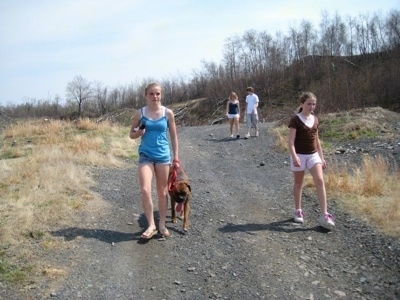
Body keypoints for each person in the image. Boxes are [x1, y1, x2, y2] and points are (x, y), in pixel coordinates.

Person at [130, 82, 180, 239]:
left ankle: (162, 224)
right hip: (145, 155)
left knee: (162, 191)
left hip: (163, 156)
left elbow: (173, 136)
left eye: (157, 93)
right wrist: (137, 134)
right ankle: (151, 225)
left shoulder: (168, 113)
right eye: (151, 93)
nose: (155, 96)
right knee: (145, 190)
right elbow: (131, 134)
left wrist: (176, 157)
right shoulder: (140, 113)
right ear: (146, 95)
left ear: (161, 95)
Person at [288, 91, 335, 229]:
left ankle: (324, 214)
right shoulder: (295, 120)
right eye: (309, 103)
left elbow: (317, 140)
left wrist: (322, 157)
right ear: (302, 104)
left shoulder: (315, 119)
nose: (311, 106)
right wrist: (295, 156)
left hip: (313, 154)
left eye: (313, 104)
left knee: (320, 181)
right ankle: (298, 210)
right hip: (299, 155)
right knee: (298, 183)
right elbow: (290, 142)